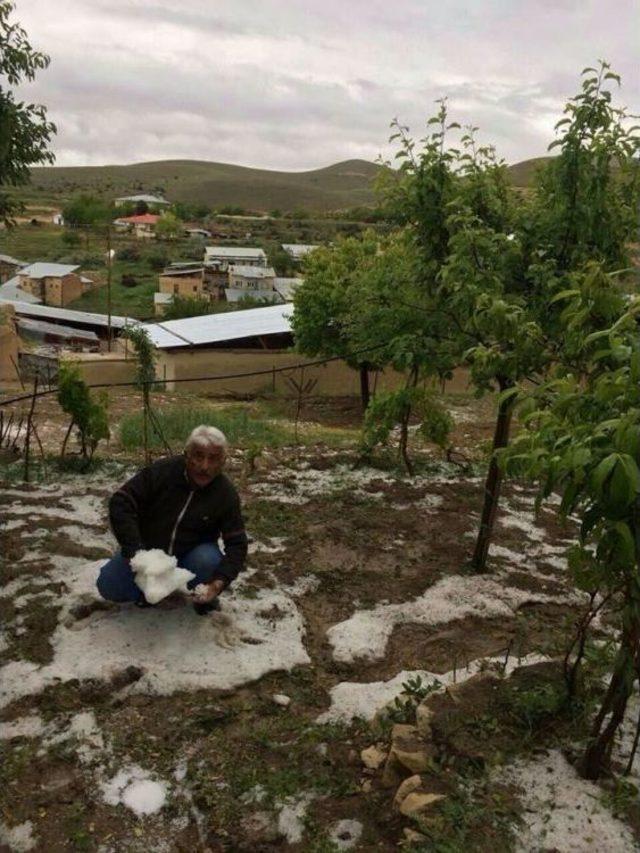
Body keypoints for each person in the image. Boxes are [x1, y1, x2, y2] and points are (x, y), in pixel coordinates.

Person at [97, 425, 248, 615]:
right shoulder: (162, 472)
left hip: (191, 558)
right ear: (186, 455)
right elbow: (121, 502)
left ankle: (199, 596)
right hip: (148, 554)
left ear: (223, 461)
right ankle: (149, 594)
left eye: (213, 459)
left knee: (208, 560)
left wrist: (218, 583)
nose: (204, 466)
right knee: (108, 585)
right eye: (198, 456)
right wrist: (134, 550)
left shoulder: (225, 494)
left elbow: (237, 544)